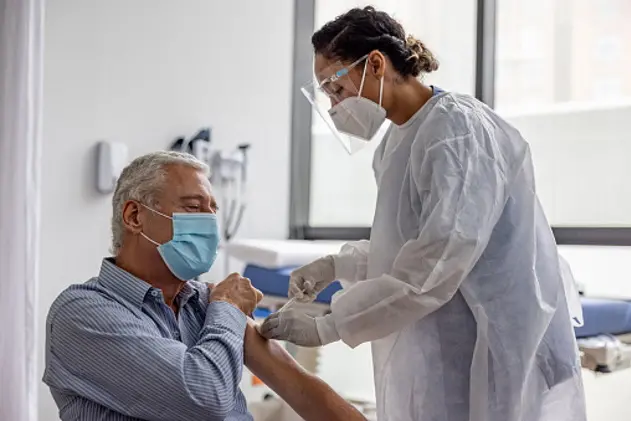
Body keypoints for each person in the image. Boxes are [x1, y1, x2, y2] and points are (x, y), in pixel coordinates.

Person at [260, 6, 586, 421]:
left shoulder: (456, 131)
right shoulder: (395, 143)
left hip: (496, 339)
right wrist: (337, 264)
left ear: (376, 63)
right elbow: (405, 245)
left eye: (335, 88)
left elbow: (436, 264)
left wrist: (330, 325)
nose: (334, 105)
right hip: (445, 337)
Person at [43, 151, 367, 421]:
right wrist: (227, 308)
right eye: (194, 207)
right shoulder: (82, 313)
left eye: (213, 210)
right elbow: (203, 397)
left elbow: (301, 388)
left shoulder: (202, 301)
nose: (210, 222)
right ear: (134, 216)